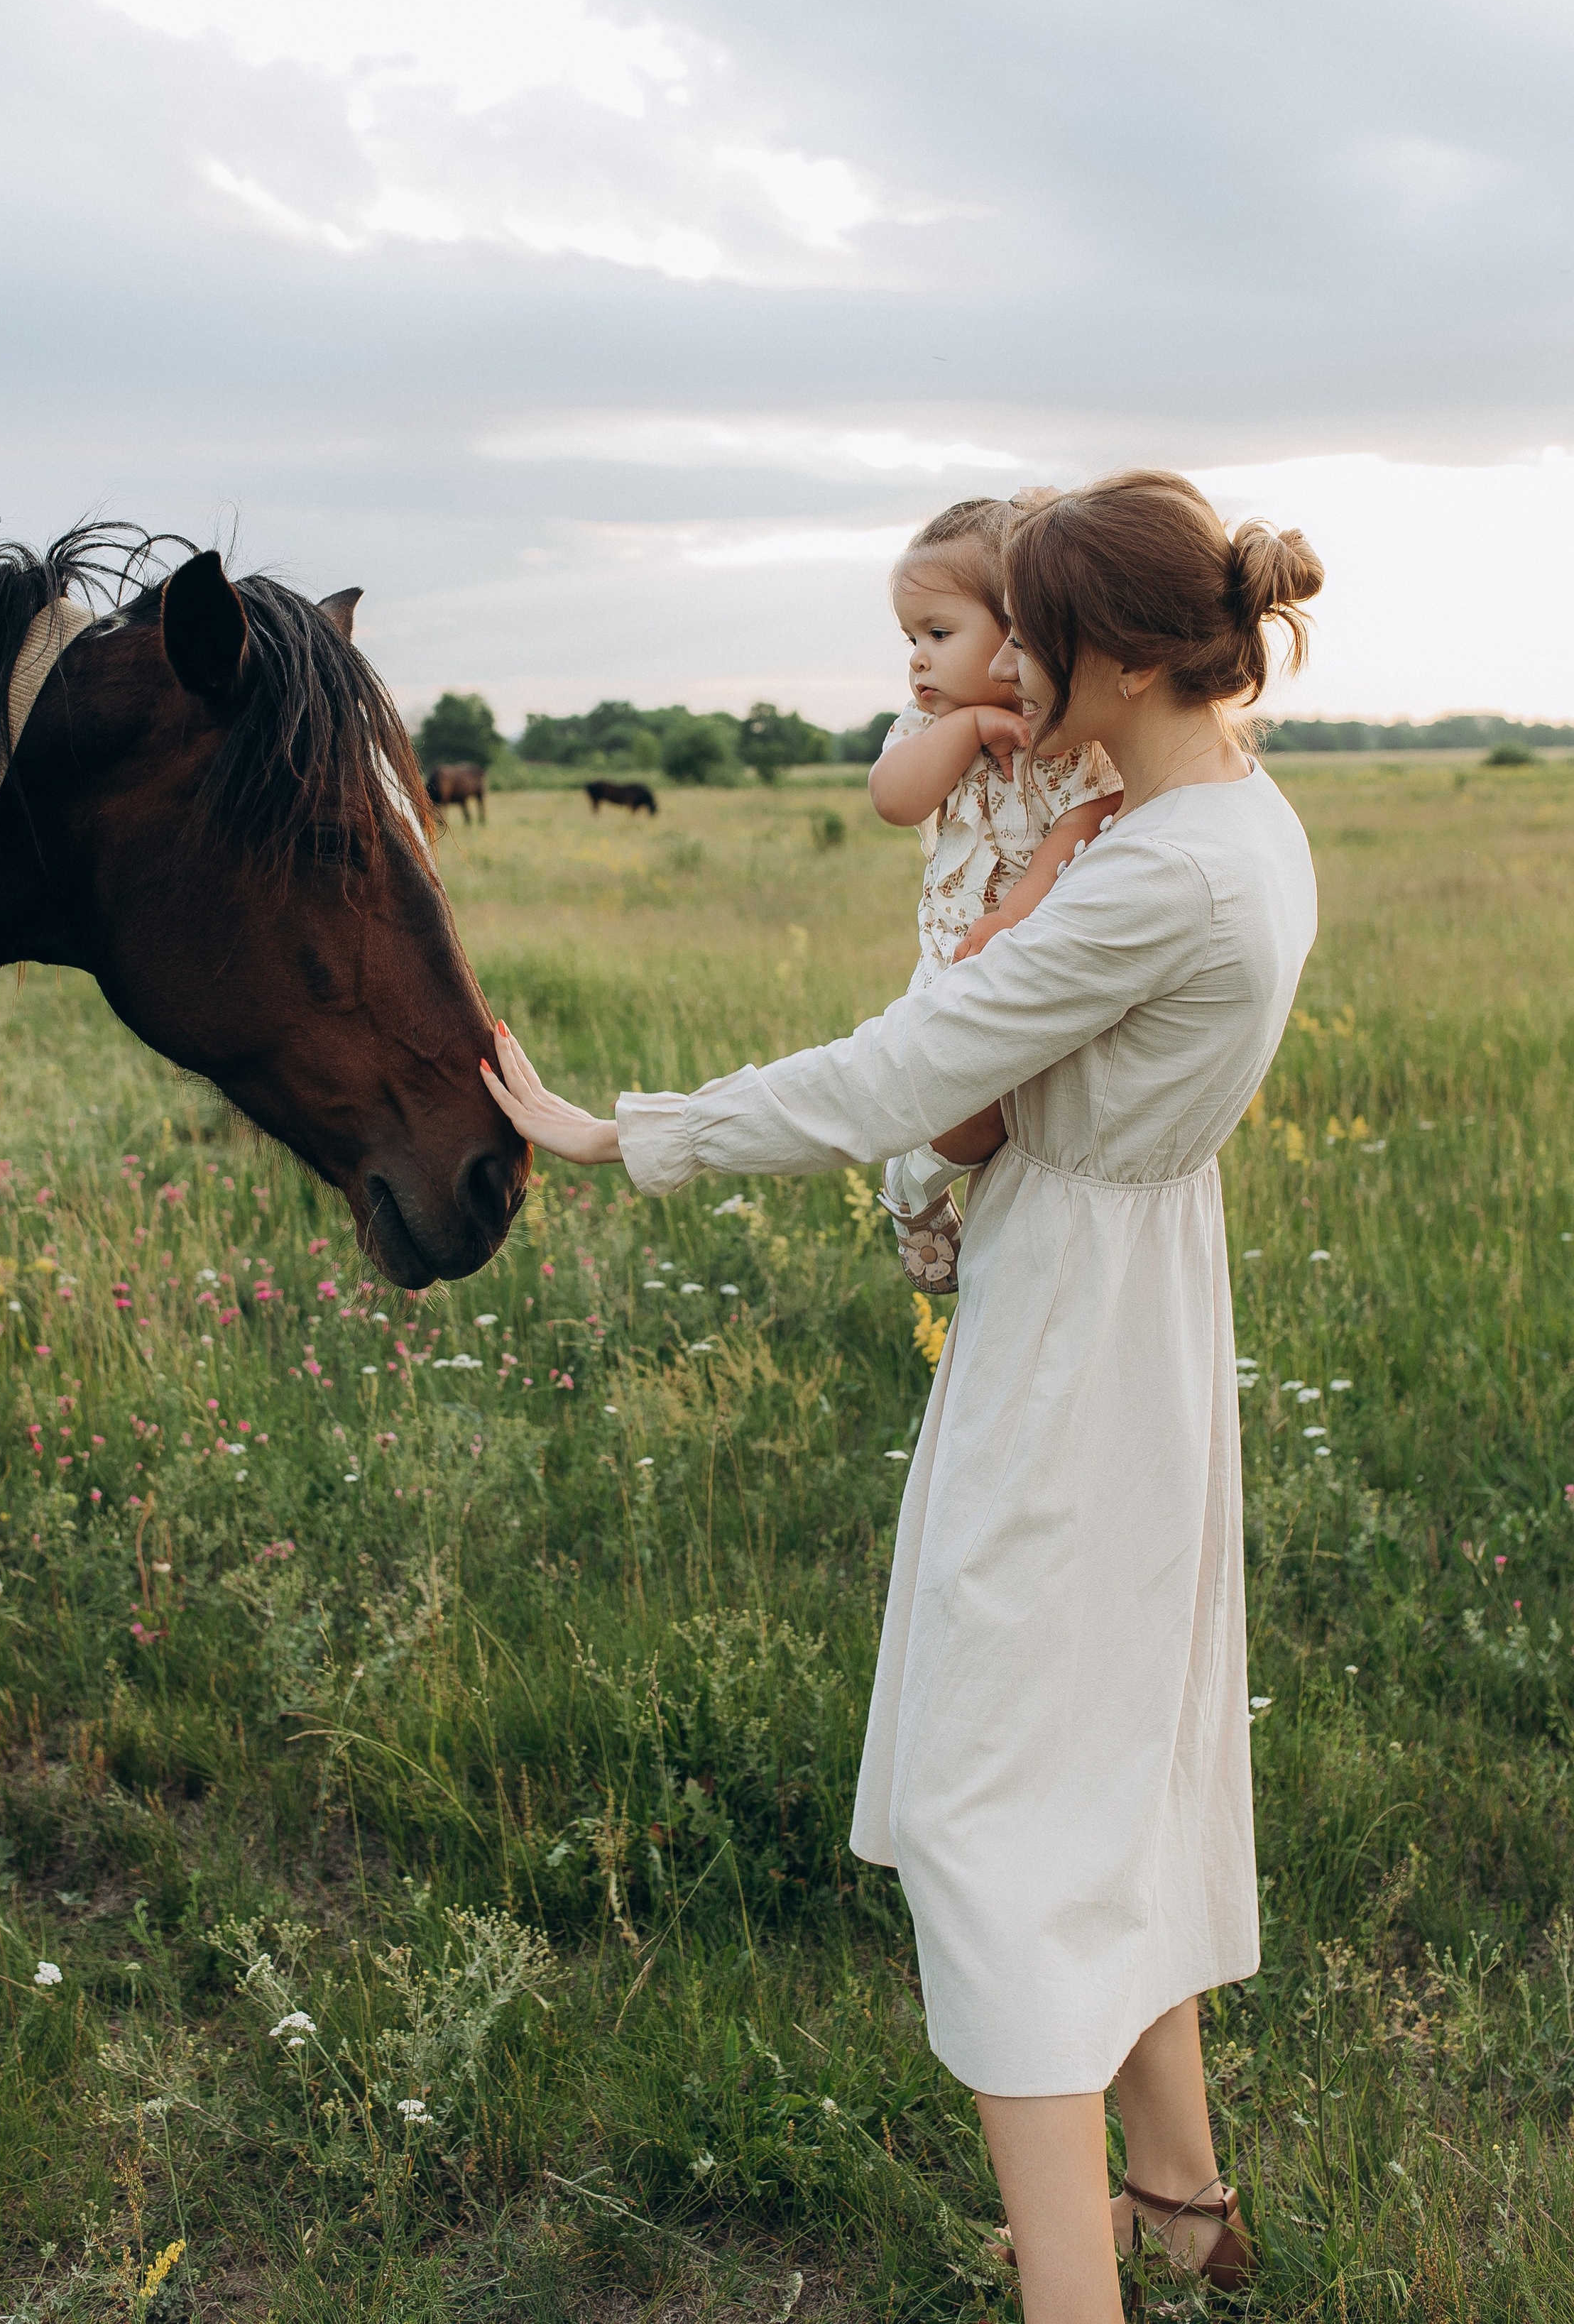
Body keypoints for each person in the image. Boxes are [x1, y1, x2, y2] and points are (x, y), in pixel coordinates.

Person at [481, 469, 1324, 2324]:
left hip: (1078, 1331)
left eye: (1026, 627)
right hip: (1135, 1292)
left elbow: (910, 1076)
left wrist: (628, 1134)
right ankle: (1183, 2202)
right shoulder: (1235, 824)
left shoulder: (1150, 876)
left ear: (1101, 659)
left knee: (986, 1806)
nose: (997, 659)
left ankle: (1076, 2298)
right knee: (1110, 1753)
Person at [868, 495, 1122, 1292]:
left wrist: (1014, 915)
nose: (917, 659)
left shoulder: (1068, 737)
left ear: (1022, 629)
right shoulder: (923, 731)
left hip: (1031, 952)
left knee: (1018, 1112)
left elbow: (1084, 821)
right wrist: (967, 728)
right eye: (911, 639)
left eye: (939, 635)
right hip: (950, 961)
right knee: (965, 1107)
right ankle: (910, 1188)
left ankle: (926, 1186)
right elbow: (894, 800)